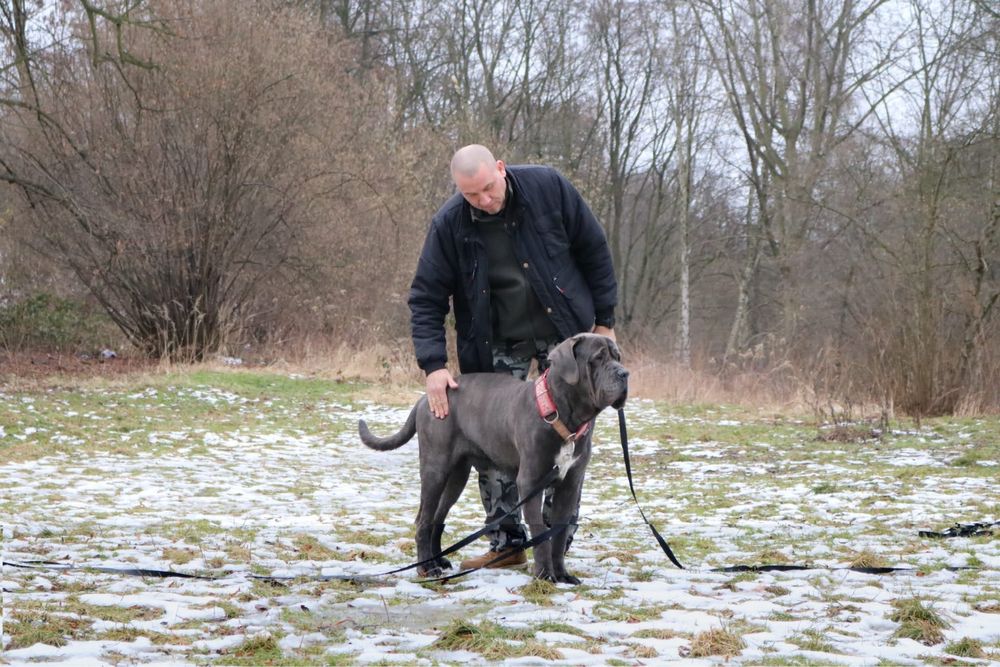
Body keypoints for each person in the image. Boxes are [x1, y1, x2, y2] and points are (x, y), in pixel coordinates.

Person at [408, 144, 617, 570]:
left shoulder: (548, 188)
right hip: (494, 341)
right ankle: (506, 542)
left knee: (571, 437)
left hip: (563, 333)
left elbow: (594, 249)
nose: (484, 201)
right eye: (471, 196)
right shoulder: (449, 224)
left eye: (488, 188)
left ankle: (555, 546)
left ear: (500, 169)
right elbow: (426, 297)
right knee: (491, 440)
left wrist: (605, 321)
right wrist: (433, 365)